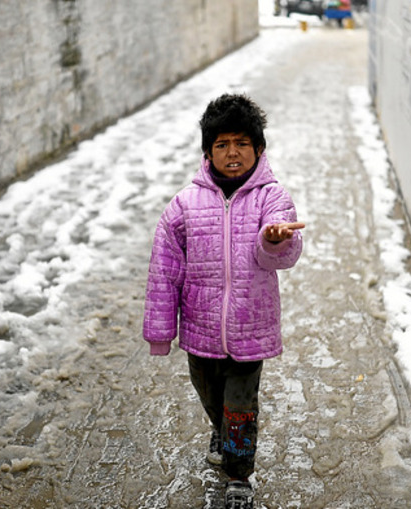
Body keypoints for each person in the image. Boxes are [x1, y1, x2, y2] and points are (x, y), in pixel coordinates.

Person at [142, 93, 304, 509]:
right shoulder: (184, 205)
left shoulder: (271, 197)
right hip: (201, 329)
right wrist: (161, 332)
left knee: (240, 406)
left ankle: (238, 475)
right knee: (212, 397)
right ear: (208, 152)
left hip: (250, 328)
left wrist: (273, 240)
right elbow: (164, 270)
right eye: (222, 144)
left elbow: (281, 249)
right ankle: (220, 429)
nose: (233, 153)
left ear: (259, 149)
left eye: (242, 143)